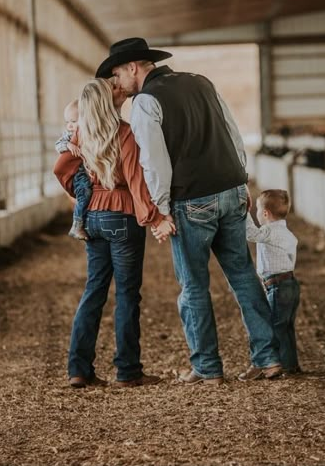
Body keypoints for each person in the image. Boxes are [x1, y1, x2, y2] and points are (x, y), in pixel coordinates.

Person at [95, 37, 282, 384]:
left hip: (191, 200)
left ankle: (208, 366)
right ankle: (269, 358)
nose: (117, 82)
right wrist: (242, 181)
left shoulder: (145, 102)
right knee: (242, 274)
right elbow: (232, 132)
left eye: (118, 74)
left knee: (194, 285)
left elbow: (154, 161)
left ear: (133, 67)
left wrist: (160, 209)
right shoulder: (201, 82)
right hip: (231, 190)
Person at [54, 78, 175, 389]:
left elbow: (61, 169)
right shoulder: (124, 134)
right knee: (126, 295)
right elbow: (136, 181)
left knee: (94, 290)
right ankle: (128, 370)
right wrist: (154, 217)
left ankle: (79, 369)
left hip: (90, 217)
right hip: (122, 216)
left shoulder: (79, 134)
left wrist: (83, 194)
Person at [246, 189, 301, 375]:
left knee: (276, 327)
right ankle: (291, 365)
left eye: (257, 211)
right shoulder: (288, 234)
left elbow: (250, 234)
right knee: (286, 327)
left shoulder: (269, 231)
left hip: (278, 286)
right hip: (290, 284)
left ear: (265, 213)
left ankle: (278, 365)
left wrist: (243, 212)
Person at [55, 99, 92, 241]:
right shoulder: (69, 136)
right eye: (67, 122)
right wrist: (69, 146)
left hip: (86, 170)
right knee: (84, 194)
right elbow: (58, 145)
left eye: (74, 121)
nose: (69, 125)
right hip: (78, 173)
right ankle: (77, 225)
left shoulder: (86, 133)